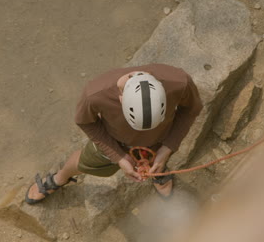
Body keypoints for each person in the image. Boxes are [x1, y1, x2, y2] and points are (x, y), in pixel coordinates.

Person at [25, 64, 202, 204]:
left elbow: (191, 109)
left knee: (158, 161)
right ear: (120, 99)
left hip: (161, 139)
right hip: (115, 141)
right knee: (85, 162)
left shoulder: (179, 83)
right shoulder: (95, 94)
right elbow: (85, 122)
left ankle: (159, 172)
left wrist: (167, 148)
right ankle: (60, 177)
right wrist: (118, 157)